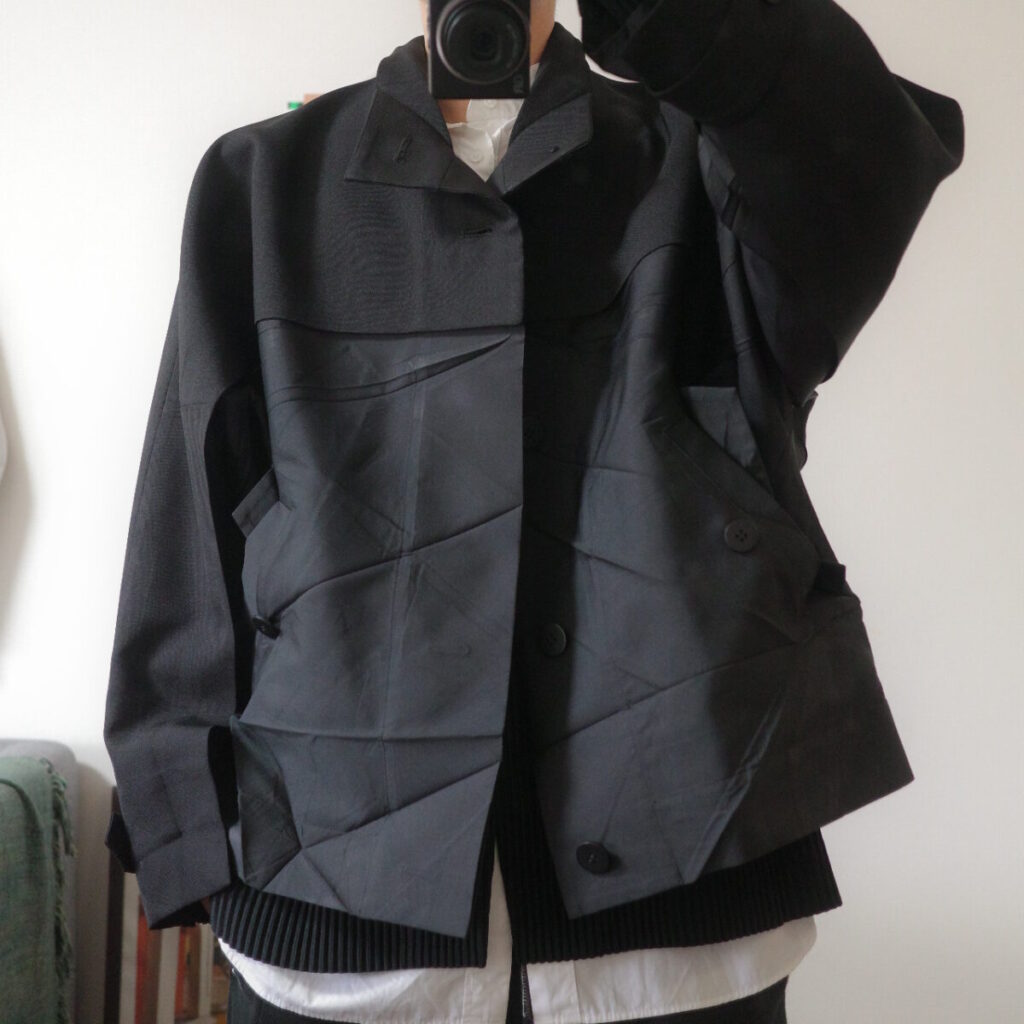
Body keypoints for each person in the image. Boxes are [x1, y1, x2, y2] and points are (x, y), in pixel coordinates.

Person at [103, 2, 964, 1022]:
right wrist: (187, 832)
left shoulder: (703, 158)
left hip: (682, 894)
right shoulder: (270, 179)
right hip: (340, 901)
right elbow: (189, 519)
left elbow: (868, 160)